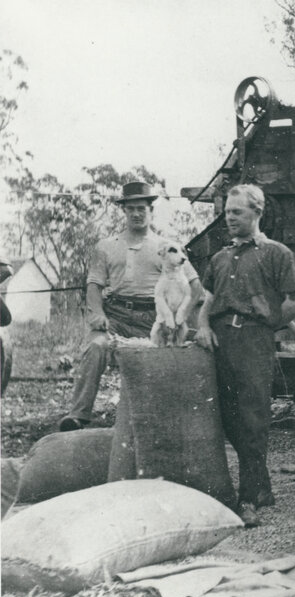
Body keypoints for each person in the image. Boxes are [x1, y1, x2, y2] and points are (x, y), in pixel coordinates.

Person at [195, 184, 295, 526]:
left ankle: (248, 500)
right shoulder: (220, 257)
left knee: (252, 417)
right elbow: (208, 301)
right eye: (227, 212)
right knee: (227, 418)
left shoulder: (276, 254)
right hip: (219, 340)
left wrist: (269, 325)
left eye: (237, 212)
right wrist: (203, 327)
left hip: (254, 341)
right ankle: (262, 488)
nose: (229, 218)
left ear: (257, 213)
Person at [58, 182, 201, 431]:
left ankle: (164, 420)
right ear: (123, 211)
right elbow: (94, 285)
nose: (136, 213)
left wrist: (181, 316)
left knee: (169, 358)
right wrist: (97, 313)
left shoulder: (167, 246)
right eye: (131, 208)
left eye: (141, 208)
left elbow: (195, 285)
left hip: (154, 318)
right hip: (116, 316)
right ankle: (78, 415)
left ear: (151, 211)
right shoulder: (106, 246)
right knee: (95, 346)